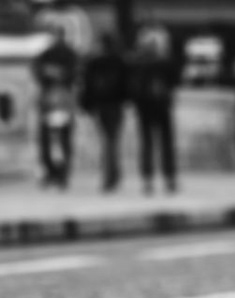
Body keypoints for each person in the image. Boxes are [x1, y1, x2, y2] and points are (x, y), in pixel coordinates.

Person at [126, 24, 179, 195]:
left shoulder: (140, 64)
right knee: (165, 143)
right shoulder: (163, 63)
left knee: (148, 144)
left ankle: (149, 179)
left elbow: (133, 88)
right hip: (161, 106)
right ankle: (168, 178)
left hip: (146, 108)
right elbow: (174, 80)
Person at [30, 25, 80, 190]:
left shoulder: (67, 54)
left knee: (63, 138)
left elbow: (73, 73)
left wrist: (56, 74)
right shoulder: (47, 53)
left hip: (62, 100)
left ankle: (62, 173)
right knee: (47, 139)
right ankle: (52, 172)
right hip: (50, 100)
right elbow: (37, 70)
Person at [80, 31, 128, 193]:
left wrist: (86, 105)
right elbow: (126, 85)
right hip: (114, 105)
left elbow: (87, 86)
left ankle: (110, 175)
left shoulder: (95, 63)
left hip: (102, 105)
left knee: (107, 141)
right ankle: (112, 173)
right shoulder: (119, 61)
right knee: (112, 140)